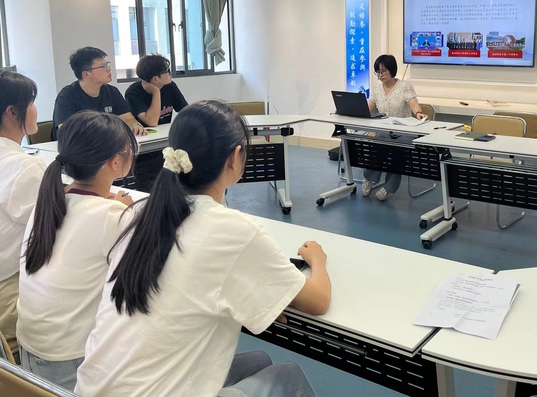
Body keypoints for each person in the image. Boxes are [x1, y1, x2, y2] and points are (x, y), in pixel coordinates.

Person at [75, 100, 331, 397]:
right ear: (235, 157)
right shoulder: (233, 231)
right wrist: (317, 260)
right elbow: (317, 302)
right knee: (288, 375)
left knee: (259, 360)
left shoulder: (138, 213)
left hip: (91, 389)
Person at [17, 111, 136, 390]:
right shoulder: (111, 216)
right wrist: (124, 210)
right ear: (115, 162)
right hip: (69, 362)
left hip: (31, 352)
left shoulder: (50, 202)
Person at [0, 71, 45, 344]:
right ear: (12, 112)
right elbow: (54, 227)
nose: (36, 110)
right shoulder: (23, 166)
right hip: (8, 294)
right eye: (31, 103)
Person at [363, 54, 428, 202]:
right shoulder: (377, 89)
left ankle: (389, 187)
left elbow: (413, 103)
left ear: (392, 70)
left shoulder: (405, 87)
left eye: (383, 71)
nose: (380, 75)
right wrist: (356, 112)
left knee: (399, 151)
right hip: (384, 130)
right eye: (378, 72)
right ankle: (369, 178)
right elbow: (369, 107)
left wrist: (418, 113)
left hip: (403, 131)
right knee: (378, 143)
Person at [51, 46, 148, 140]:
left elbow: (128, 118)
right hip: (76, 147)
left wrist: (135, 125)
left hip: (106, 143)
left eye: (107, 64)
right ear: (86, 74)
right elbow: (67, 132)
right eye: (103, 66)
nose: (108, 69)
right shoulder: (67, 96)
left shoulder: (111, 91)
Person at [125, 53, 188, 127]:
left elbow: (186, 111)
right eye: (167, 71)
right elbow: (152, 122)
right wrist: (156, 92)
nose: (170, 73)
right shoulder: (133, 92)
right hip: (144, 133)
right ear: (155, 79)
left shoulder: (170, 86)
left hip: (163, 131)